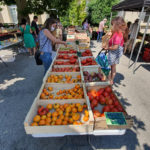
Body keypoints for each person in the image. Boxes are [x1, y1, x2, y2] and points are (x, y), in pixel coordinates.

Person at [103, 16, 128, 85]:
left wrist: (107, 48)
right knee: (113, 66)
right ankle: (110, 79)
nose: (112, 26)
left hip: (114, 52)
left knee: (111, 66)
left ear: (116, 25)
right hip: (115, 52)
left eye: (112, 24)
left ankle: (110, 80)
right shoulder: (118, 32)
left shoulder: (118, 35)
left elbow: (115, 47)